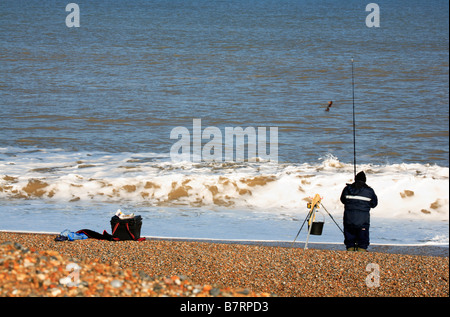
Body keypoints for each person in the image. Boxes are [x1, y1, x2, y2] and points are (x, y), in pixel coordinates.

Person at [340, 171, 378, 251]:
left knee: (349, 237)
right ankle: (361, 250)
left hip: (348, 219)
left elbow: (343, 200)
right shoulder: (369, 191)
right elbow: (374, 204)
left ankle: (350, 250)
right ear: (365, 180)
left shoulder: (347, 189)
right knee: (362, 238)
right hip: (363, 220)